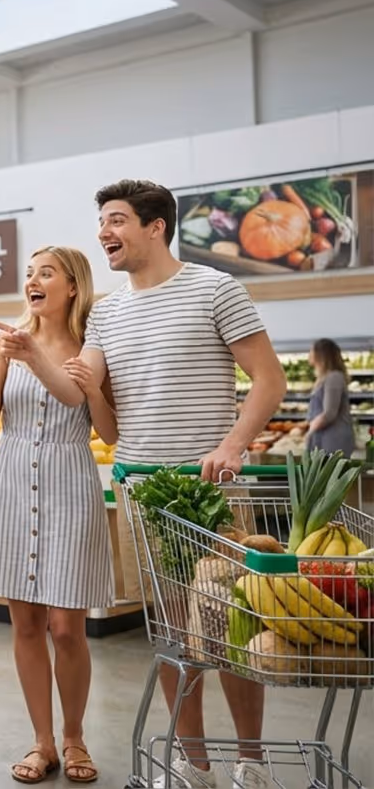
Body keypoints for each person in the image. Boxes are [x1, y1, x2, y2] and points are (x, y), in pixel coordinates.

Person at [71, 179, 285, 789]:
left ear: (155, 226)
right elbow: (90, 396)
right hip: (141, 491)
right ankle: (193, 764)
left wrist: (232, 444)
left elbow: (268, 381)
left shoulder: (216, 288)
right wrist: (31, 351)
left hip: (211, 489)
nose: (104, 234)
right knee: (170, 633)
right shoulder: (106, 312)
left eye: (116, 221)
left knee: (236, 626)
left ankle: (252, 761)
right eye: (102, 222)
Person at [0, 246, 113, 784]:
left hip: (71, 479)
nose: (33, 281)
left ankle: (74, 737)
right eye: (29, 273)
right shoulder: (6, 341)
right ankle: (42, 742)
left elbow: (74, 398)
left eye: (46, 273)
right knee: (24, 621)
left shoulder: (94, 343)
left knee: (67, 626)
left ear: (72, 286)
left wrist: (32, 354)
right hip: (12, 477)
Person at [306, 338, 355, 457]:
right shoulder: (324, 377)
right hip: (324, 437)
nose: (309, 354)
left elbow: (329, 413)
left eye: (311, 350)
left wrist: (310, 431)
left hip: (334, 441)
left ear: (320, 354)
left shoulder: (334, 377)